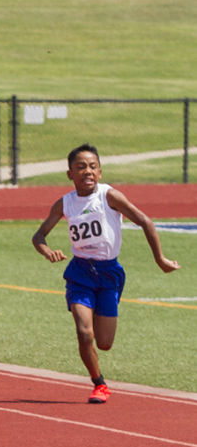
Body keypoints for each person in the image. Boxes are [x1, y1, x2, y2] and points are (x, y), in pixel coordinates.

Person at [31, 144, 179, 404]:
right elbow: (39, 235)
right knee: (84, 332)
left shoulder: (109, 196)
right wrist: (47, 251)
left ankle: (99, 363)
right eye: (81, 167)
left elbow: (145, 221)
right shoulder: (65, 203)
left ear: (99, 172)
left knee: (105, 343)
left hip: (109, 273)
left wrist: (160, 259)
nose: (87, 171)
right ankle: (99, 383)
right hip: (80, 272)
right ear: (70, 174)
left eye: (92, 166)